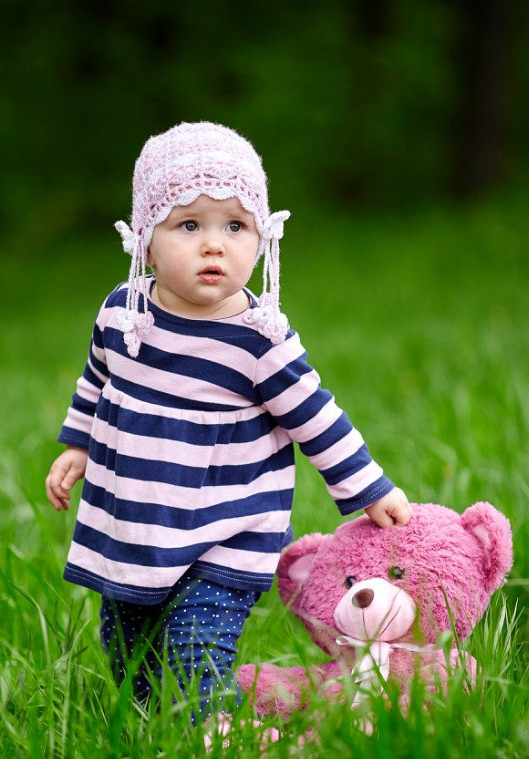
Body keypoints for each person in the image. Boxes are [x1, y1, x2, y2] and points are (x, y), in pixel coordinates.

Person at [45, 122, 411, 721]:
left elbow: (316, 416)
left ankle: (213, 742)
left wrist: (369, 488)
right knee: (128, 646)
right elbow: (98, 378)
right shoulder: (123, 313)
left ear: (262, 239)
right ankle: (149, 731)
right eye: (189, 225)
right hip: (136, 524)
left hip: (226, 530)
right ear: (145, 239)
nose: (214, 245)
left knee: (194, 651)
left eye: (235, 227)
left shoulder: (257, 339)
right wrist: (79, 444)